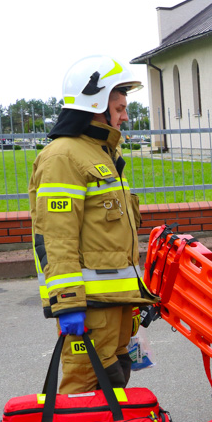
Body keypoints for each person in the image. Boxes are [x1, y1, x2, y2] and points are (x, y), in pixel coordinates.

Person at [29, 55, 156, 394]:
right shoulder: (63, 157)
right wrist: (68, 301)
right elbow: (56, 237)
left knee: (114, 380)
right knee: (83, 388)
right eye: (118, 108)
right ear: (95, 106)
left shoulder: (102, 154)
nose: (125, 116)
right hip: (89, 306)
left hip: (115, 302)